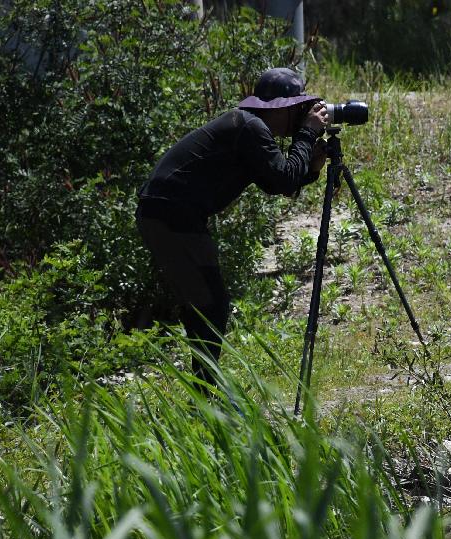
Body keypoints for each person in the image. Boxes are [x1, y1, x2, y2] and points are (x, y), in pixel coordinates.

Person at [136, 67, 328, 386]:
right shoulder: (249, 128)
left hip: (168, 213)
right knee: (211, 307)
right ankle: (204, 398)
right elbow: (282, 178)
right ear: (278, 107)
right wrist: (307, 135)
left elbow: (276, 181)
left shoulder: (248, 127)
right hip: (171, 215)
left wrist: (310, 167)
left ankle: (204, 395)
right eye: (296, 109)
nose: (299, 116)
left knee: (207, 307)